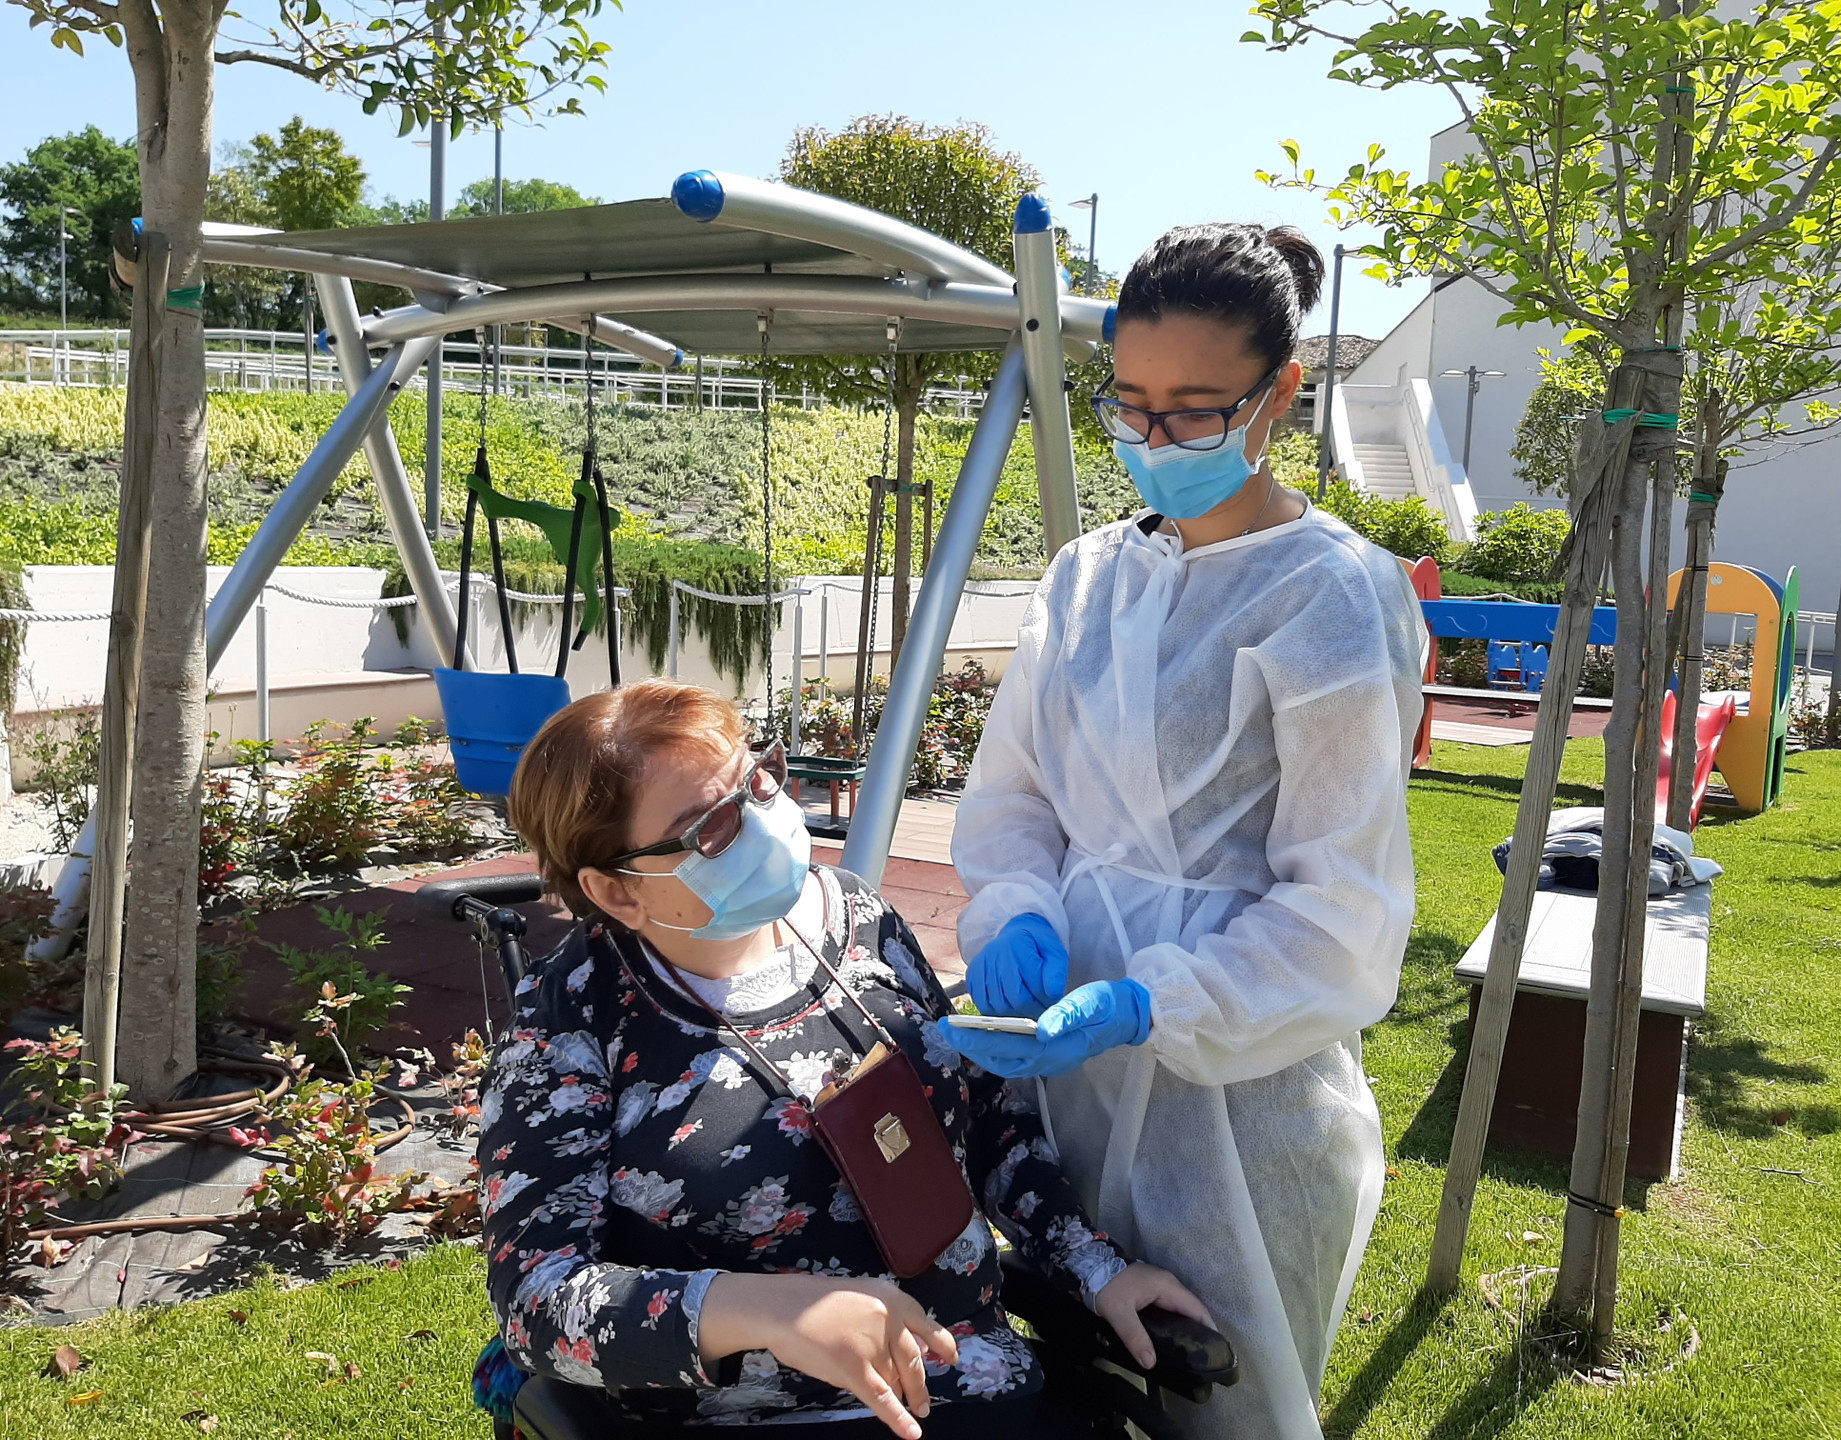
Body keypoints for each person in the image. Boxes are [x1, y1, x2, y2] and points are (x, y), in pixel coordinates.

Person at [937, 223, 1429, 1438]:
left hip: (1244, 1109)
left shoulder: (1332, 596)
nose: (1154, 443)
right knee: (1073, 1363)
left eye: (1197, 412)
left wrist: (1158, 1003)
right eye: (1133, 406)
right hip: (1071, 1084)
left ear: (1282, 396)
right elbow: (1018, 796)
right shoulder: (1087, 576)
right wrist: (1016, 908)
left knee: (1227, 1397)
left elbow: (1344, 910)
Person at [474, 679, 1212, 1440]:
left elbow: (985, 1121)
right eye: (713, 828)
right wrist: (766, 1310)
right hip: (773, 1419)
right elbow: (539, 1299)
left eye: (758, 777)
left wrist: (1097, 1269)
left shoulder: (858, 916)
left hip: (979, 1386)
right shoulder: (569, 1022)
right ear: (618, 892)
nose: (763, 817)